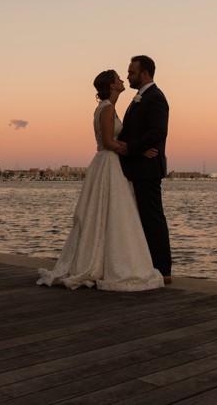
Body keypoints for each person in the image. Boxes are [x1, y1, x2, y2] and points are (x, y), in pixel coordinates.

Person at [37, 69, 164, 291]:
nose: (123, 80)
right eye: (118, 79)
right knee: (110, 211)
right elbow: (107, 142)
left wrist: (132, 148)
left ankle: (103, 258)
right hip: (108, 162)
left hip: (110, 163)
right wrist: (136, 151)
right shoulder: (106, 108)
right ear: (112, 86)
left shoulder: (108, 108)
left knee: (108, 213)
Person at [116, 55, 172, 283]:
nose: (128, 76)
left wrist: (131, 148)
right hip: (138, 165)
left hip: (147, 168)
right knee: (141, 219)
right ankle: (148, 265)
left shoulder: (155, 98)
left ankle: (163, 269)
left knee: (152, 218)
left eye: (131, 72)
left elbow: (158, 132)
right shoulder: (140, 98)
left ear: (145, 73)